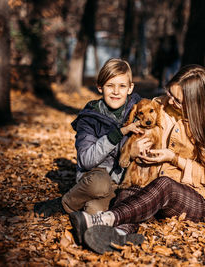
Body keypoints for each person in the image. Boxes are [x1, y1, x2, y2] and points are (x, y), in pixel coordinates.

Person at [69, 64, 205, 254]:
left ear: (197, 101)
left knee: (165, 184)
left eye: (178, 100)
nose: (170, 101)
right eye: (170, 94)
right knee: (130, 188)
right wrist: (135, 149)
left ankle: (105, 219)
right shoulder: (159, 106)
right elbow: (133, 129)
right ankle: (117, 235)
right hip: (150, 191)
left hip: (193, 198)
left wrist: (174, 158)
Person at [34, 58, 142, 217]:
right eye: (110, 86)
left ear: (130, 88)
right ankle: (64, 204)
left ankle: (97, 233)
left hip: (122, 183)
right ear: (100, 87)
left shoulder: (141, 111)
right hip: (95, 176)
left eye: (122, 86)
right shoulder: (89, 117)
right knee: (100, 183)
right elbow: (86, 160)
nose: (116, 92)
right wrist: (118, 134)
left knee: (94, 212)